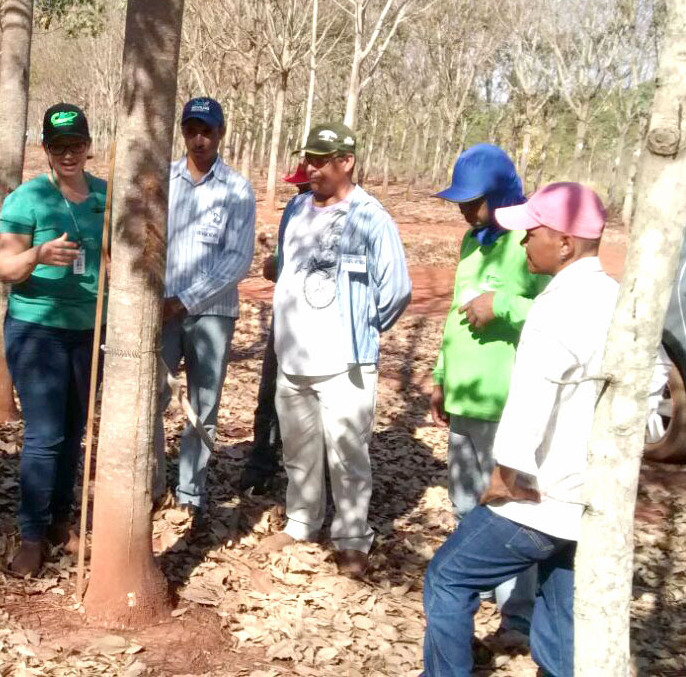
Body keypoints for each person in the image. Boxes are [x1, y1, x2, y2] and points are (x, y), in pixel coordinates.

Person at [422, 182, 615, 677]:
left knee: (448, 577)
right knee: (560, 595)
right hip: (592, 494)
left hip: (541, 496)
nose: (524, 241)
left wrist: (505, 475)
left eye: (533, 232)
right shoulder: (617, 301)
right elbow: (651, 391)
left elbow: (530, 400)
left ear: (566, 243)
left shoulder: (554, 311)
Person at [256, 123, 410, 579]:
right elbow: (286, 267)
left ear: (347, 162)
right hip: (294, 357)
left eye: (322, 161)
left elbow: (396, 289)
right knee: (299, 449)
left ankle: (351, 538)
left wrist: (361, 327)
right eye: (309, 159)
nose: (312, 168)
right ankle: (301, 522)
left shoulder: (371, 218)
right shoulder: (296, 208)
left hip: (346, 361)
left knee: (348, 453)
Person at [429, 144, 550, 642]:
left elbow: (550, 316)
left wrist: (499, 303)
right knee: (464, 498)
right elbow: (456, 316)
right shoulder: (470, 243)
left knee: (512, 507)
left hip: (508, 402)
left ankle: (516, 615)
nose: (463, 209)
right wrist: (441, 376)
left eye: (472, 200)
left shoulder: (529, 244)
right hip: (465, 396)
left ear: (500, 193)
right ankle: (471, 586)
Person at [0, 103, 107, 576]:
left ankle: (63, 519)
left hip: (89, 330)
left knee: (75, 432)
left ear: (88, 146)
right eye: (58, 146)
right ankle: (32, 534)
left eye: (76, 145)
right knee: (44, 435)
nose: (68, 154)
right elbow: (5, 268)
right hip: (37, 328)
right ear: (44, 148)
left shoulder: (106, 195)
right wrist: (39, 253)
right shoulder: (27, 199)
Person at [153, 96, 256, 519]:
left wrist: (187, 300)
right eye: (192, 130)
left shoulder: (237, 189)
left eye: (207, 131)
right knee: (153, 398)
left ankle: (191, 491)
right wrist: (160, 300)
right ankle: (153, 482)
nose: (199, 139)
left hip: (213, 314)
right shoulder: (162, 180)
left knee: (204, 403)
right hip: (160, 311)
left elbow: (238, 259)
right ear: (182, 132)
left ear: (220, 134)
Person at [238, 158, 311, 495]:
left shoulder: (348, 213)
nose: (300, 191)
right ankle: (261, 464)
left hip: (318, 328)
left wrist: (279, 264)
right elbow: (286, 260)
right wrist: (275, 264)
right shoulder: (294, 209)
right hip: (285, 318)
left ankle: (307, 476)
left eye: (304, 185)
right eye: (297, 186)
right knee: (270, 394)